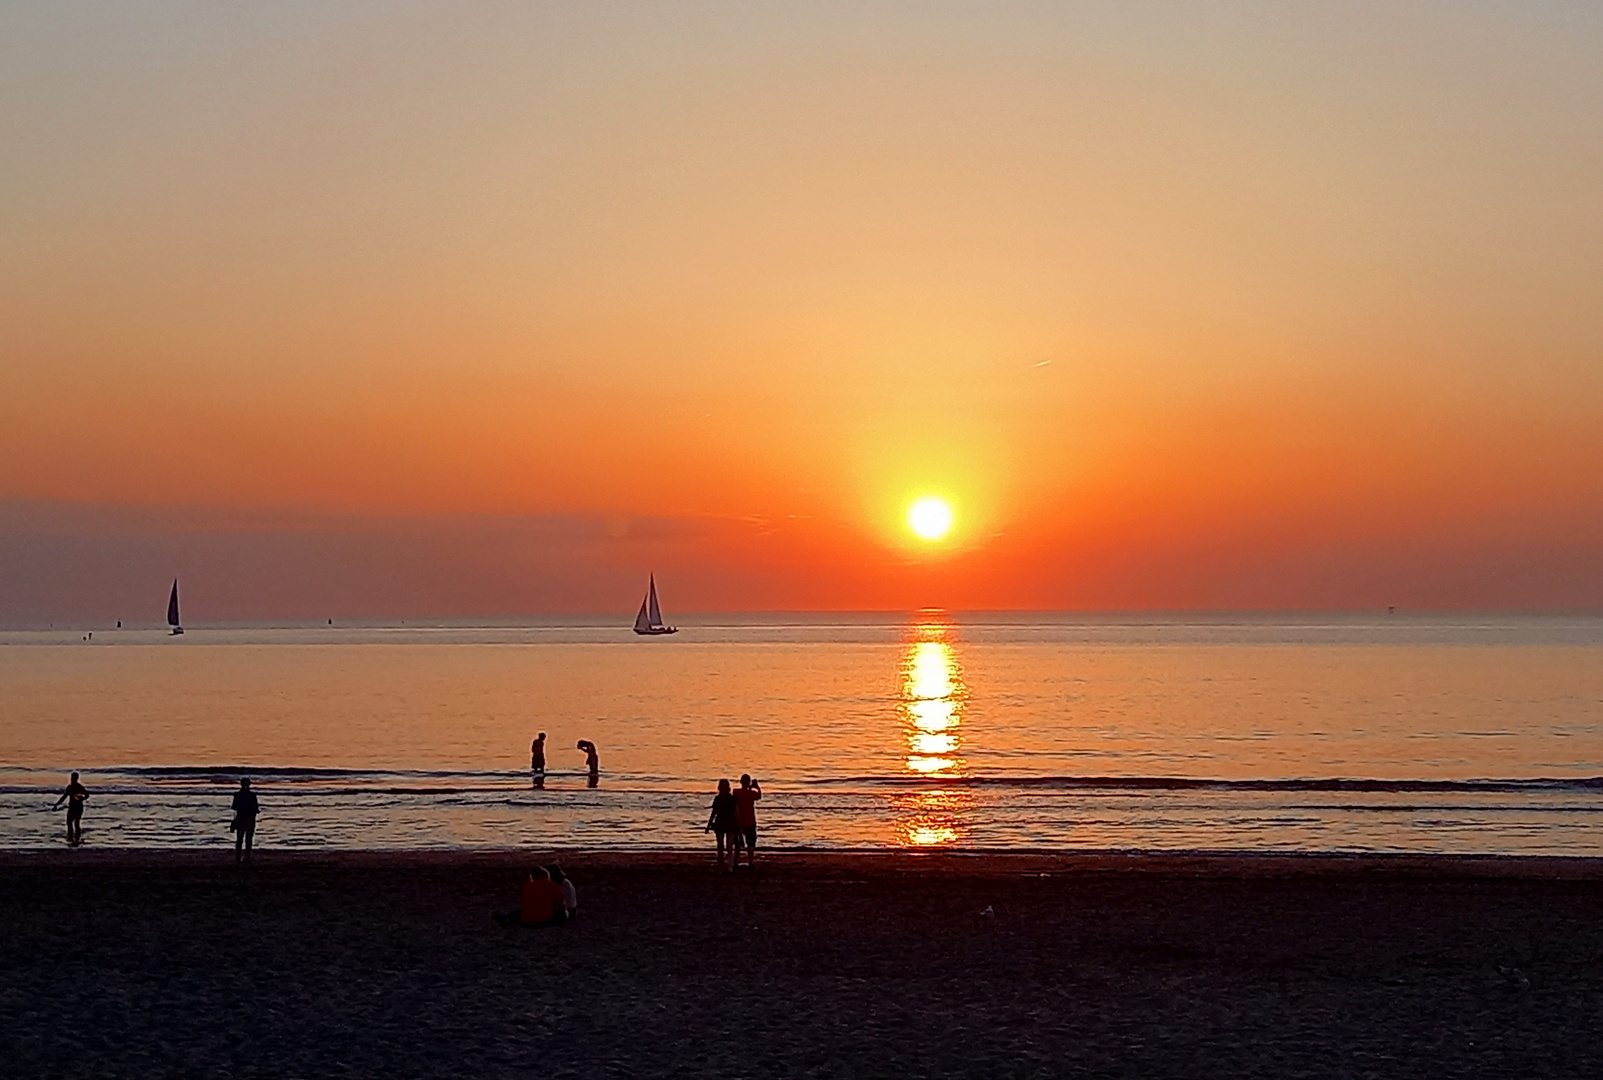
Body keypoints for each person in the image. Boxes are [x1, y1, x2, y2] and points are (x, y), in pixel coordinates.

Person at [495, 867, 567, 927]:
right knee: (562, 914)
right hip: (544, 921)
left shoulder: (528, 886)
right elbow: (561, 904)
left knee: (520, 911)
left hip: (526, 921)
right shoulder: (552, 886)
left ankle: (507, 917)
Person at [705, 779, 737, 870]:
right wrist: (709, 824)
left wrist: (738, 823)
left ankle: (729, 865)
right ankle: (722, 864)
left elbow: (736, 812)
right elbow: (714, 812)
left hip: (729, 822)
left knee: (729, 845)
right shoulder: (718, 799)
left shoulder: (731, 799)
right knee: (721, 845)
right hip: (721, 823)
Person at [733, 773, 762, 868]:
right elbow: (759, 795)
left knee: (738, 844)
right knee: (751, 843)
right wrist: (756, 787)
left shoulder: (736, 792)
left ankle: (735, 862)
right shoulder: (751, 793)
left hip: (739, 820)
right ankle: (750, 862)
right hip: (750, 821)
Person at [52, 772, 89, 845]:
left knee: (76, 823)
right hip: (72, 807)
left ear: (77, 778)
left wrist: (81, 798)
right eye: (72, 777)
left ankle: (76, 837)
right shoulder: (70, 787)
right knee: (70, 822)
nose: (72, 779)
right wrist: (57, 804)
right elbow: (64, 797)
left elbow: (87, 795)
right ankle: (71, 836)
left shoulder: (79, 787)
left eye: (74, 778)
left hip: (78, 807)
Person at [231, 777, 260, 862]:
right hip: (249, 818)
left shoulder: (238, 795)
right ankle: (247, 857)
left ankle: (238, 857)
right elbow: (256, 809)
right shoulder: (252, 795)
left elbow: (234, 807)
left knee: (240, 839)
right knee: (248, 839)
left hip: (240, 818)